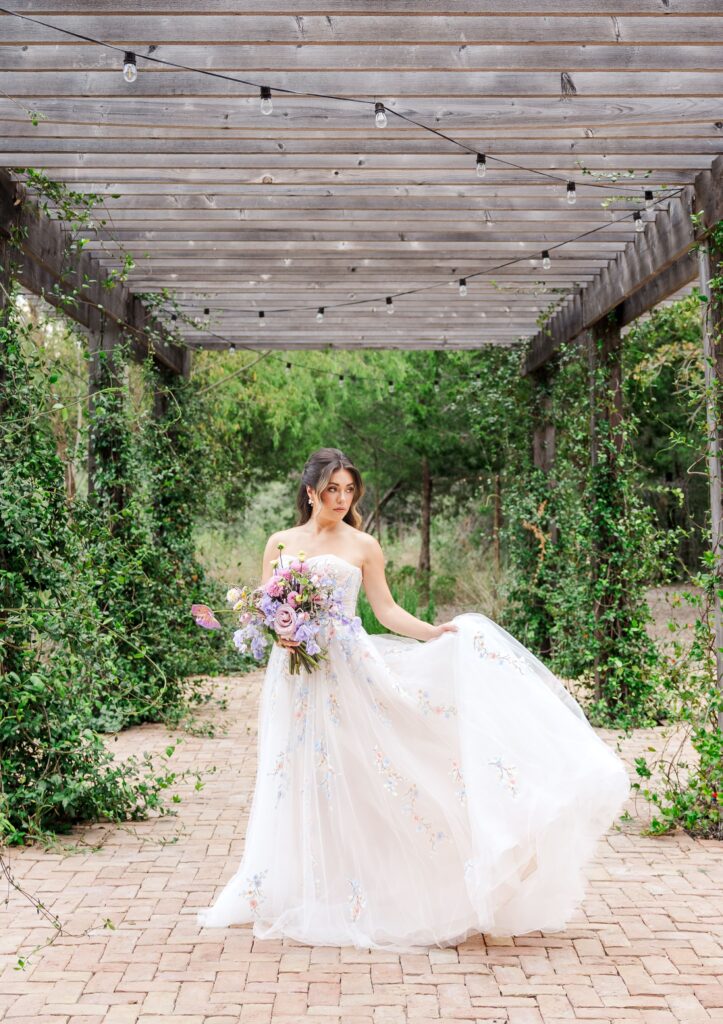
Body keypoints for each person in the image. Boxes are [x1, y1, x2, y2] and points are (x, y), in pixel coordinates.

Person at [196, 446, 631, 951]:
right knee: (296, 774)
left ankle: (383, 885)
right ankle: (304, 884)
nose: (341, 498)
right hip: (294, 677)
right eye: (332, 489)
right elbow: (263, 607)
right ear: (310, 491)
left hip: (348, 672)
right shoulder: (280, 542)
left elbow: (385, 610)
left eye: (349, 490)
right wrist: (281, 632)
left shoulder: (363, 545)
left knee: (366, 771)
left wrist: (434, 633)